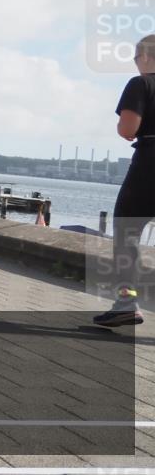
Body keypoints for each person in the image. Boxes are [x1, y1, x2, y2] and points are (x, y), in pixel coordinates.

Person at [94, 34, 155, 327]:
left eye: (135, 58)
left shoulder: (140, 84)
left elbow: (128, 128)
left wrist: (126, 127)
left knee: (127, 233)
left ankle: (126, 303)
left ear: (145, 56)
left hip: (149, 166)